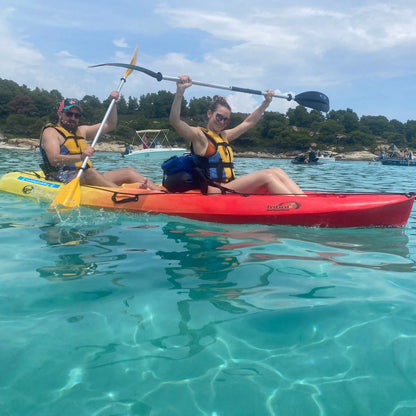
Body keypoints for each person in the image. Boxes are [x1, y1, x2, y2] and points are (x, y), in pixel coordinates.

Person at [169, 75, 304, 195]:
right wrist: (180, 92)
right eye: (219, 117)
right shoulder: (199, 136)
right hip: (214, 190)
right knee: (267, 176)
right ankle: (301, 206)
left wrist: (266, 103)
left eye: (227, 119)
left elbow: (248, 122)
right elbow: (175, 121)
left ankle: (304, 200)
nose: (222, 122)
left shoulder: (224, 136)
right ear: (210, 114)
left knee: (278, 171)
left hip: (229, 186)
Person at [40, 91, 161, 190]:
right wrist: (81, 157)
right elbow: (54, 159)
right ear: (60, 114)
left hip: (86, 175)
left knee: (129, 171)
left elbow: (110, 124)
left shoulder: (82, 131)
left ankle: (161, 193)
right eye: (69, 114)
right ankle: (124, 195)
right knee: (91, 172)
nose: (73, 118)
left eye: (77, 115)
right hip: (61, 178)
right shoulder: (51, 132)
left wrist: (113, 104)